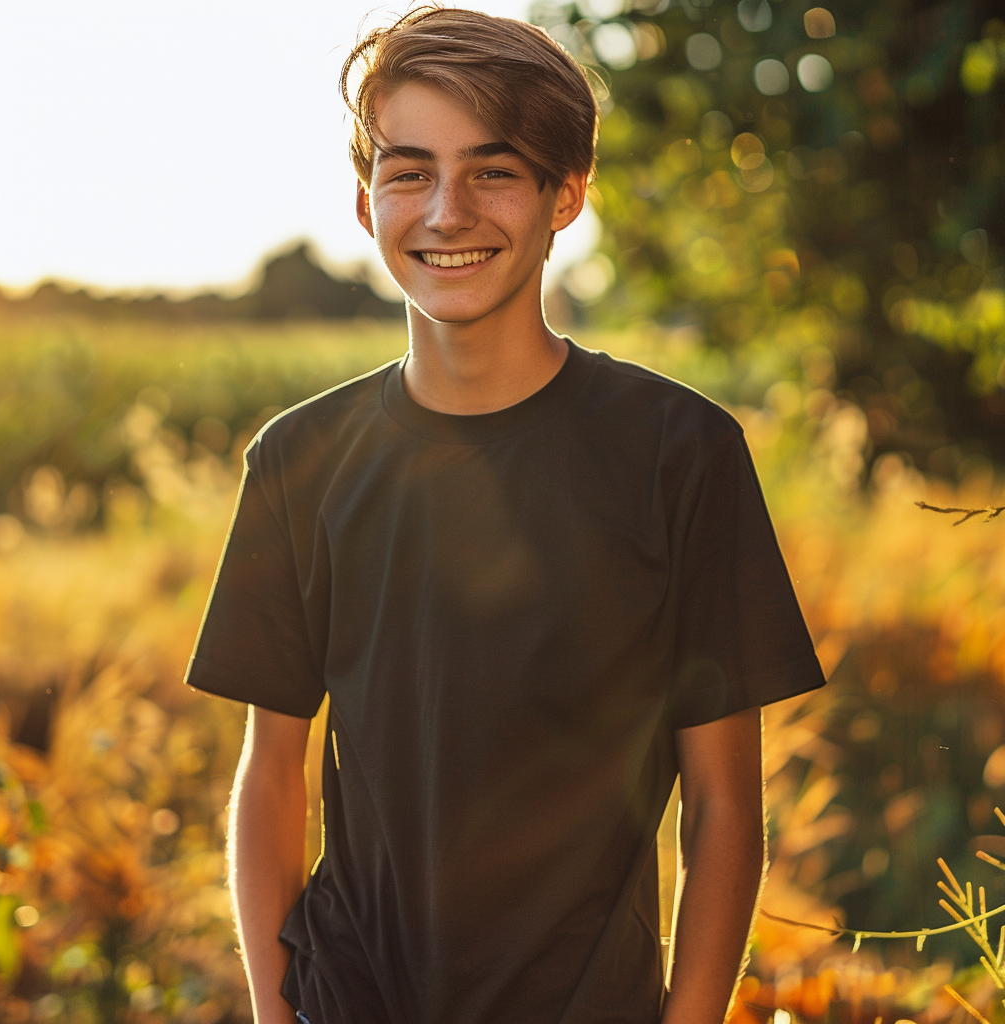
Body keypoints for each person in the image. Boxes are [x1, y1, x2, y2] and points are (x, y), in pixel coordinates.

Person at [185, 7, 826, 1024]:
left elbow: (720, 803)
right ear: (364, 202)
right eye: (409, 170)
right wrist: (277, 1012)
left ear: (564, 195)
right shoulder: (298, 461)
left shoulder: (680, 453)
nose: (447, 211)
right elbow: (273, 773)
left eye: (492, 169)